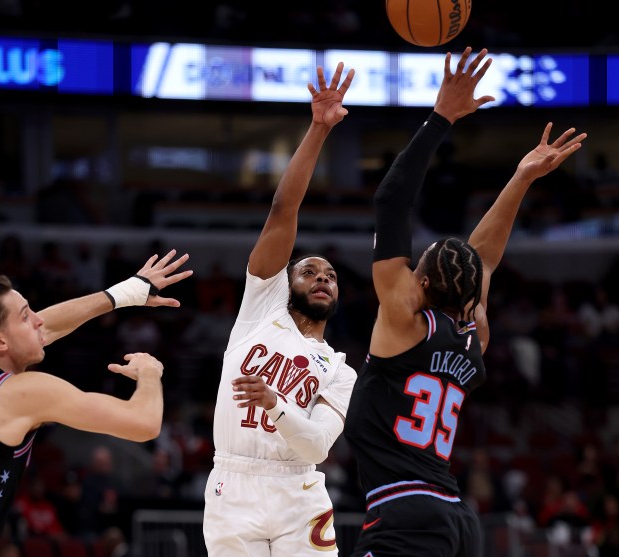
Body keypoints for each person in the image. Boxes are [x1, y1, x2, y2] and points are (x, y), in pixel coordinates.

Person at [343, 46, 586, 557]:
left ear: (422, 285)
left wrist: (440, 118)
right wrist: (520, 179)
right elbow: (486, 258)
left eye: (421, 261)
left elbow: (392, 203)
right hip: (454, 519)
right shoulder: (474, 335)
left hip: (408, 514)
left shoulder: (404, 321)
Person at [202, 62, 357, 556]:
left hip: (300, 490)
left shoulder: (341, 370)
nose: (322, 278)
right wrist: (318, 128)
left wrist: (275, 403)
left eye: (331, 275)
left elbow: (316, 447)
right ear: (284, 281)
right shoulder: (261, 306)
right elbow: (282, 212)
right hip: (233, 484)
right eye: (309, 270)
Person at [0, 248, 192, 530]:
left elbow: (48, 326)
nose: (39, 320)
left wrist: (123, 294)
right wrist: (150, 373)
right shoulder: (21, 393)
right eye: (25, 317)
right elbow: (144, 423)